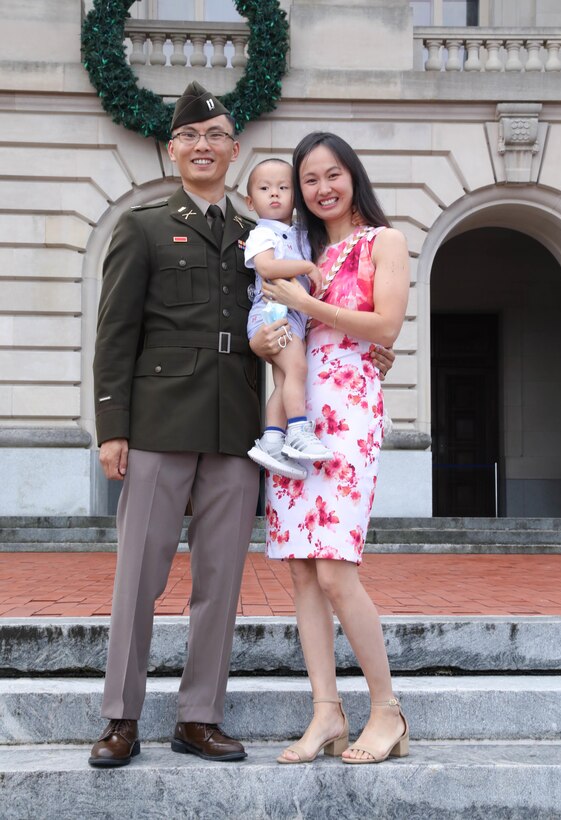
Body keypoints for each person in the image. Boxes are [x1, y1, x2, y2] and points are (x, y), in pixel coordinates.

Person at [90, 80, 396, 768]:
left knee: (220, 582)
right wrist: (112, 427)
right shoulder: (141, 227)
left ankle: (199, 715)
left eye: (217, 137)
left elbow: (298, 318)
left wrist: (374, 347)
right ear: (173, 150)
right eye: (190, 137)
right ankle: (120, 717)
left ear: (233, 151)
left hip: (238, 431)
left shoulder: (258, 235)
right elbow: (116, 334)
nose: (204, 147)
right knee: (138, 576)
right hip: (159, 422)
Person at [261, 131, 410, 764]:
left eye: (332, 175)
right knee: (299, 568)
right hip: (296, 408)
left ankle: (386, 711)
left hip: (349, 413)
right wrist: (268, 339)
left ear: (353, 176)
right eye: (309, 180)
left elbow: (386, 325)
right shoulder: (299, 248)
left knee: (335, 568)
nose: (321, 189)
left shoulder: (385, 241)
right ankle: (327, 712)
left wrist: (307, 301)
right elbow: (274, 326)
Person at [244, 158, 333, 482]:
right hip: (272, 313)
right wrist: (307, 268)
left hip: (292, 315)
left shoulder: (299, 233)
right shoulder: (262, 234)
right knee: (297, 369)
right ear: (250, 201)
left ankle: (271, 440)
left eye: (283, 187)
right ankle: (297, 429)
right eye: (265, 189)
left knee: (285, 381)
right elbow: (266, 268)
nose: (275, 194)